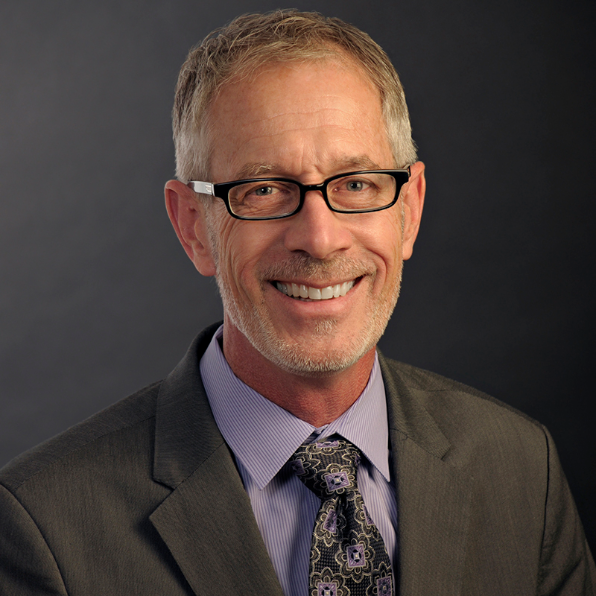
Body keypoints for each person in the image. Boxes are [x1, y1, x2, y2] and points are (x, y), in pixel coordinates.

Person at [0, 9, 593, 596]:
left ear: (408, 211)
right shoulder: (44, 526)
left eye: (357, 184)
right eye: (263, 190)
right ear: (192, 227)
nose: (320, 237)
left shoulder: (521, 470)